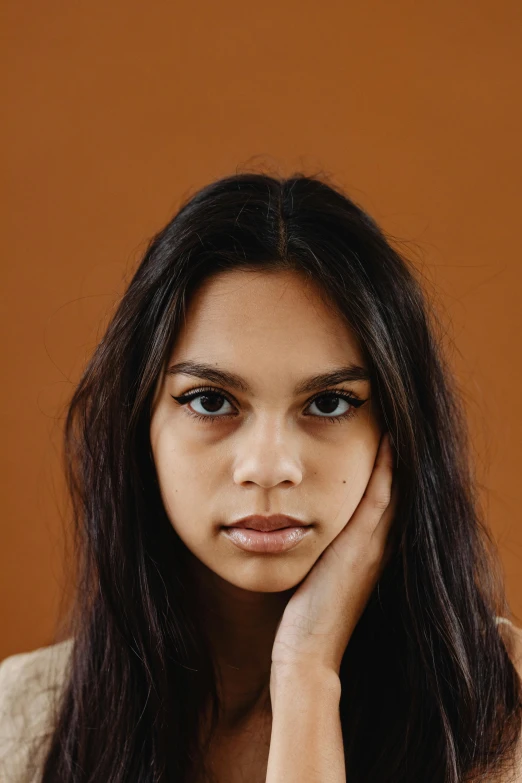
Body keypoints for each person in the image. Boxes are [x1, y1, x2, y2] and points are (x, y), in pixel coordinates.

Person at [0, 171, 521, 783]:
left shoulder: (500, 715)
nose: (269, 468)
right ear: (138, 425)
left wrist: (306, 674)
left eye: (329, 403)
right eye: (211, 401)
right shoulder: (23, 723)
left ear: (400, 433)